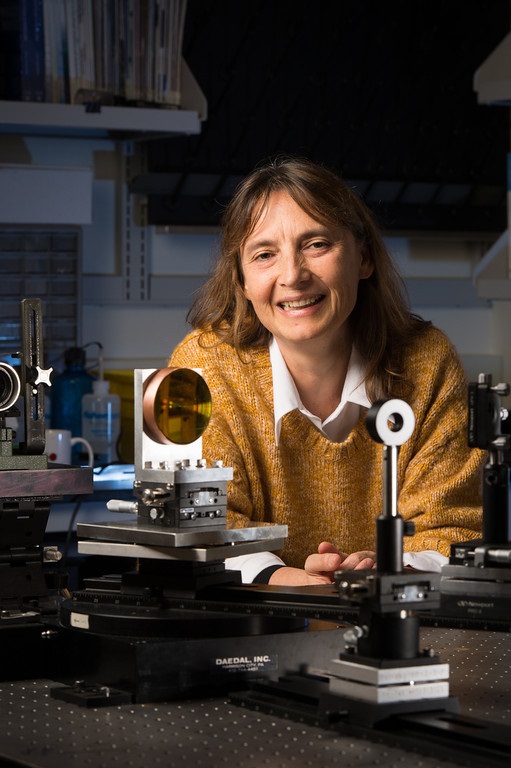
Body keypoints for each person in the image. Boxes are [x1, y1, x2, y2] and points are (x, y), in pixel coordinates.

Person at [168, 155, 484, 586]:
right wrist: (285, 579)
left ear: (364, 259)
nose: (293, 276)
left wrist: (386, 571)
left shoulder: (427, 362)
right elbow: (197, 529)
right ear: (241, 280)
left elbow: (455, 528)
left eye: (316, 244)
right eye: (264, 254)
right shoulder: (204, 367)